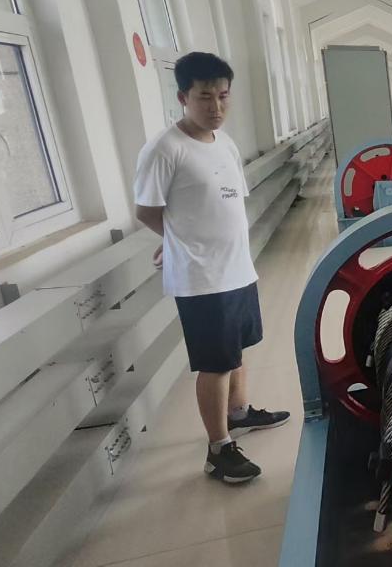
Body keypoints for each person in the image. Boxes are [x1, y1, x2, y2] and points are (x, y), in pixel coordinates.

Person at [133, 52, 290, 484]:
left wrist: (178, 235)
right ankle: (218, 449)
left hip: (237, 267)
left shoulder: (224, 142)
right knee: (215, 363)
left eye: (223, 96)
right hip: (202, 277)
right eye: (205, 97)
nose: (216, 107)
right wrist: (174, 240)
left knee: (237, 349)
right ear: (183, 97)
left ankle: (238, 413)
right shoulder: (165, 149)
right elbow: (146, 210)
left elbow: (222, 203)